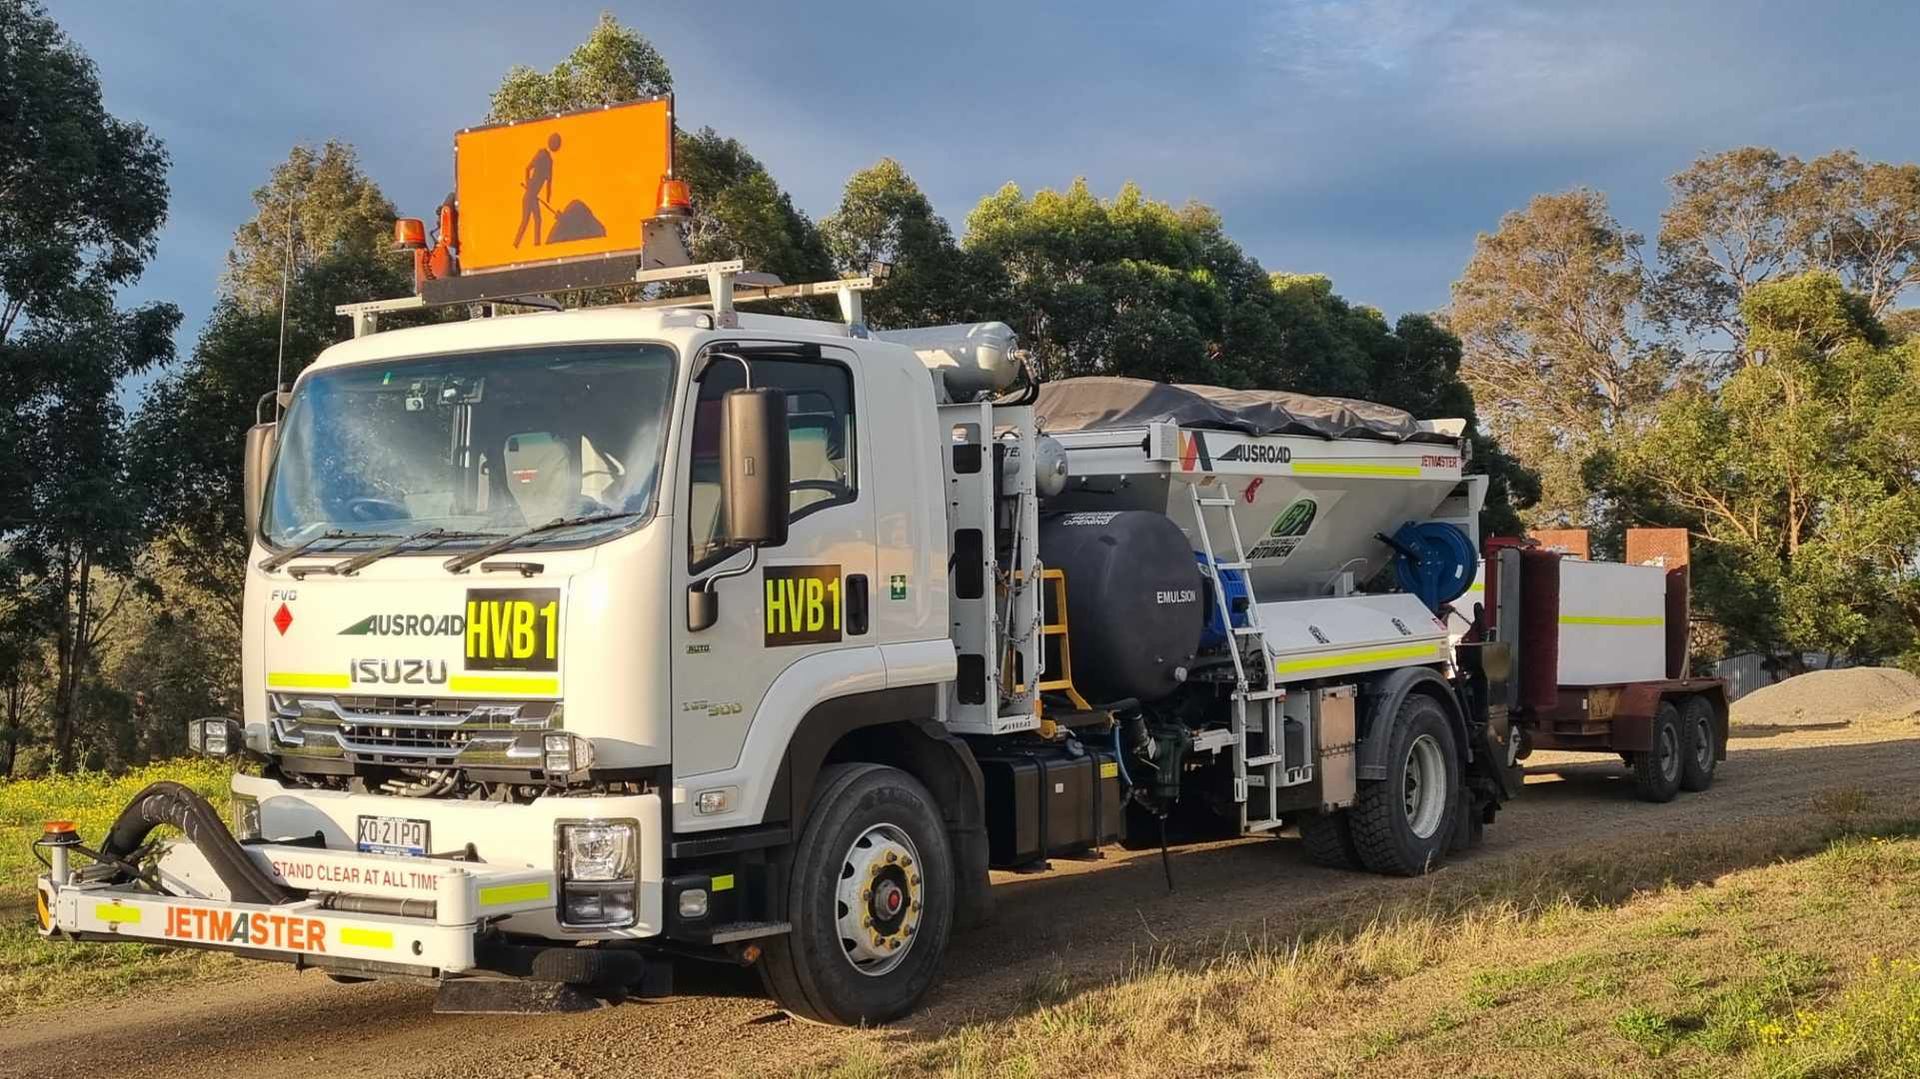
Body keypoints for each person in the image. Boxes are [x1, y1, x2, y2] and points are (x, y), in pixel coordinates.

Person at [513, 133, 561, 247]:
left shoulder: (549, 161)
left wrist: (549, 198)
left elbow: (549, 182)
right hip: (529, 195)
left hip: (533, 196)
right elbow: (527, 168)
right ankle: (516, 244)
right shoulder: (541, 154)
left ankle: (536, 244)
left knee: (537, 220)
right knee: (526, 221)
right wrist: (528, 182)